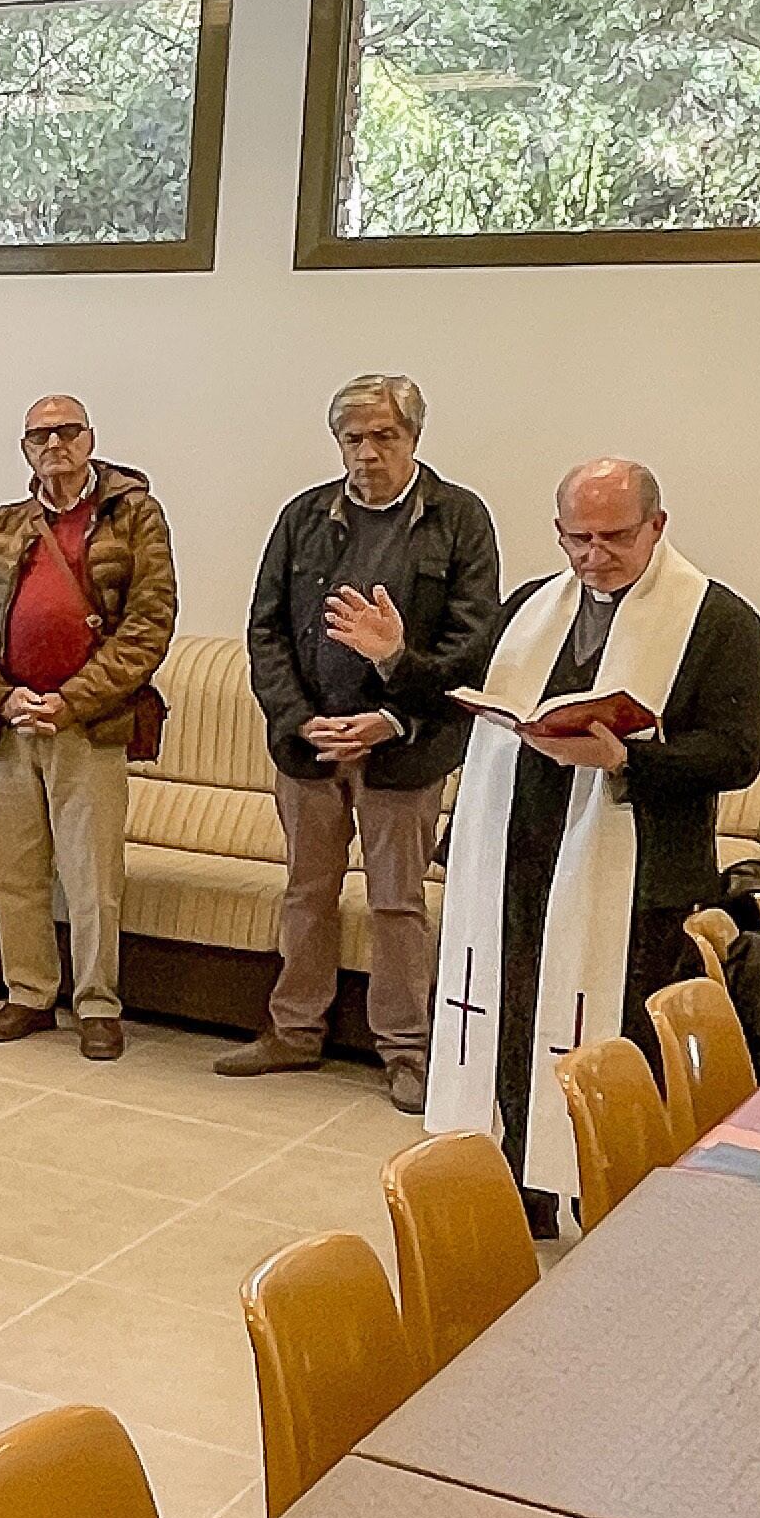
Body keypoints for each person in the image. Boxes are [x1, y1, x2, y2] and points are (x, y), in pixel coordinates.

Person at [416, 459, 760, 1239]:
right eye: (576, 538)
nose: (592, 555)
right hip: (521, 864)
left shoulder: (717, 622)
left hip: (641, 878)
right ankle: (524, 1195)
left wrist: (627, 760)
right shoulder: (529, 609)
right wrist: (392, 660)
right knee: (513, 1031)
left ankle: (617, 1205)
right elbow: (470, 698)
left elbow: (737, 753)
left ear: (657, 526)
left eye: (613, 536)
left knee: (617, 1046)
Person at [227, 375, 504, 1113]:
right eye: (353, 438)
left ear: (414, 437)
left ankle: (406, 1050)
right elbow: (264, 631)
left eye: (384, 436)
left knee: (395, 903)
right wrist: (298, 718)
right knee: (306, 894)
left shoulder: (457, 519)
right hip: (310, 746)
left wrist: (390, 716)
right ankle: (293, 1030)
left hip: (402, 750)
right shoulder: (303, 517)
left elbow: (471, 647)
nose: (367, 453)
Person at [0, 397, 177, 1063]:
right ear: (24, 449)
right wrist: (0, 695)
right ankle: (28, 993)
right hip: (11, 725)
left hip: (90, 726)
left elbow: (147, 625)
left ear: (90, 440)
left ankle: (97, 1005)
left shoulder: (134, 516)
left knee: (90, 877)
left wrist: (69, 701)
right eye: (39, 434)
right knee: (11, 874)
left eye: (66, 430)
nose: (54, 443)